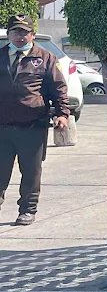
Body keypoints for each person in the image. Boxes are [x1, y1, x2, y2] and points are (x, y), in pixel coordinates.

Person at [0, 14, 70, 227]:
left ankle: (27, 210)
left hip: (32, 125)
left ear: (32, 34)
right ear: (8, 34)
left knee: (31, 171)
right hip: (2, 126)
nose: (20, 36)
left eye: (24, 32)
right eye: (15, 31)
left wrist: (62, 114)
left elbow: (59, 88)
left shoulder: (46, 58)